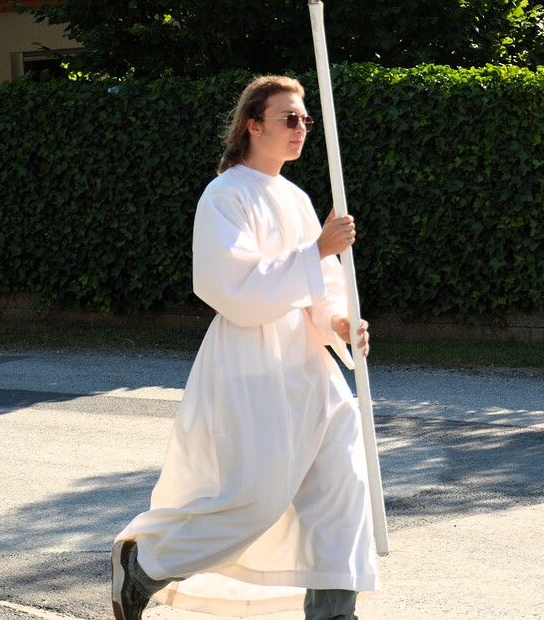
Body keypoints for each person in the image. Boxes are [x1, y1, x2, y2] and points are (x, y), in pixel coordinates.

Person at [111, 75, 378, 620]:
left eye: (306, 119)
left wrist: (340, 321)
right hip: (251, 362)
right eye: (289, 118)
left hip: (310, 367)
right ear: (253, 125)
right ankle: (145, 568)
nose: (301, 128)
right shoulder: (224, 195)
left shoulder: (297, 198)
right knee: (255, 498)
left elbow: (323, 288)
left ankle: (334, 613)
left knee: (342, 489)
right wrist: (316, 251)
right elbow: (229, 288)